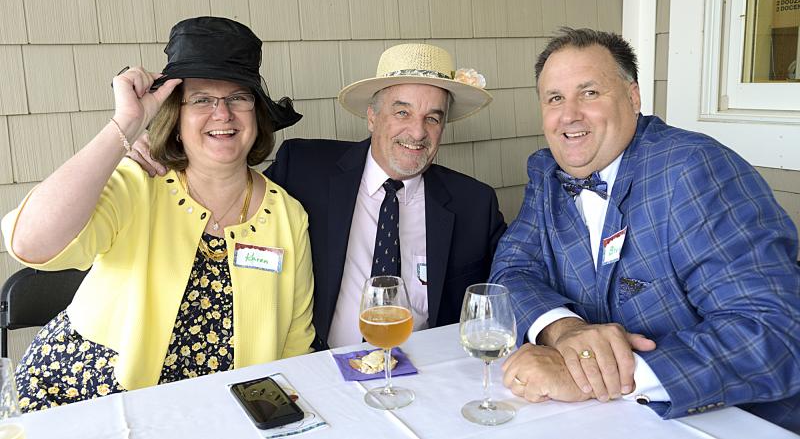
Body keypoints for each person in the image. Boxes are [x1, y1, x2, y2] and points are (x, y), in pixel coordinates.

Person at [489, 27, 800, 433]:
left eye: (589, 93)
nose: (568, 115)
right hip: (605, 421)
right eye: (554, 98)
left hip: (731, 422)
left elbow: (775, 333)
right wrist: (565, 331)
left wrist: (598, 372)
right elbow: (511, 272)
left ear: (633, 98)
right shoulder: (547, 172)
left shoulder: (694, 169)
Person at [1, 17, 315, 411]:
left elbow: (295, 342)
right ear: (176, 120)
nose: (223, 113)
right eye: (201, 99)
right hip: (89, 392)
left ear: (256, 115)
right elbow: (30, 243)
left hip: (219, 410)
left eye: (238, 97)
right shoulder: (138, 182)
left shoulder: (287, 215)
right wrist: (126, 125)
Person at [133, 43, 507, 349]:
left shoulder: (474, 204)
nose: (418, 132)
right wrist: (165, 151)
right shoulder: (305, 168)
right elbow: (227, 192)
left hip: (424, 377)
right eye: (402, 112)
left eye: (433, 118)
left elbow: (506, 290)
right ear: (372, 117)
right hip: (321, 370)